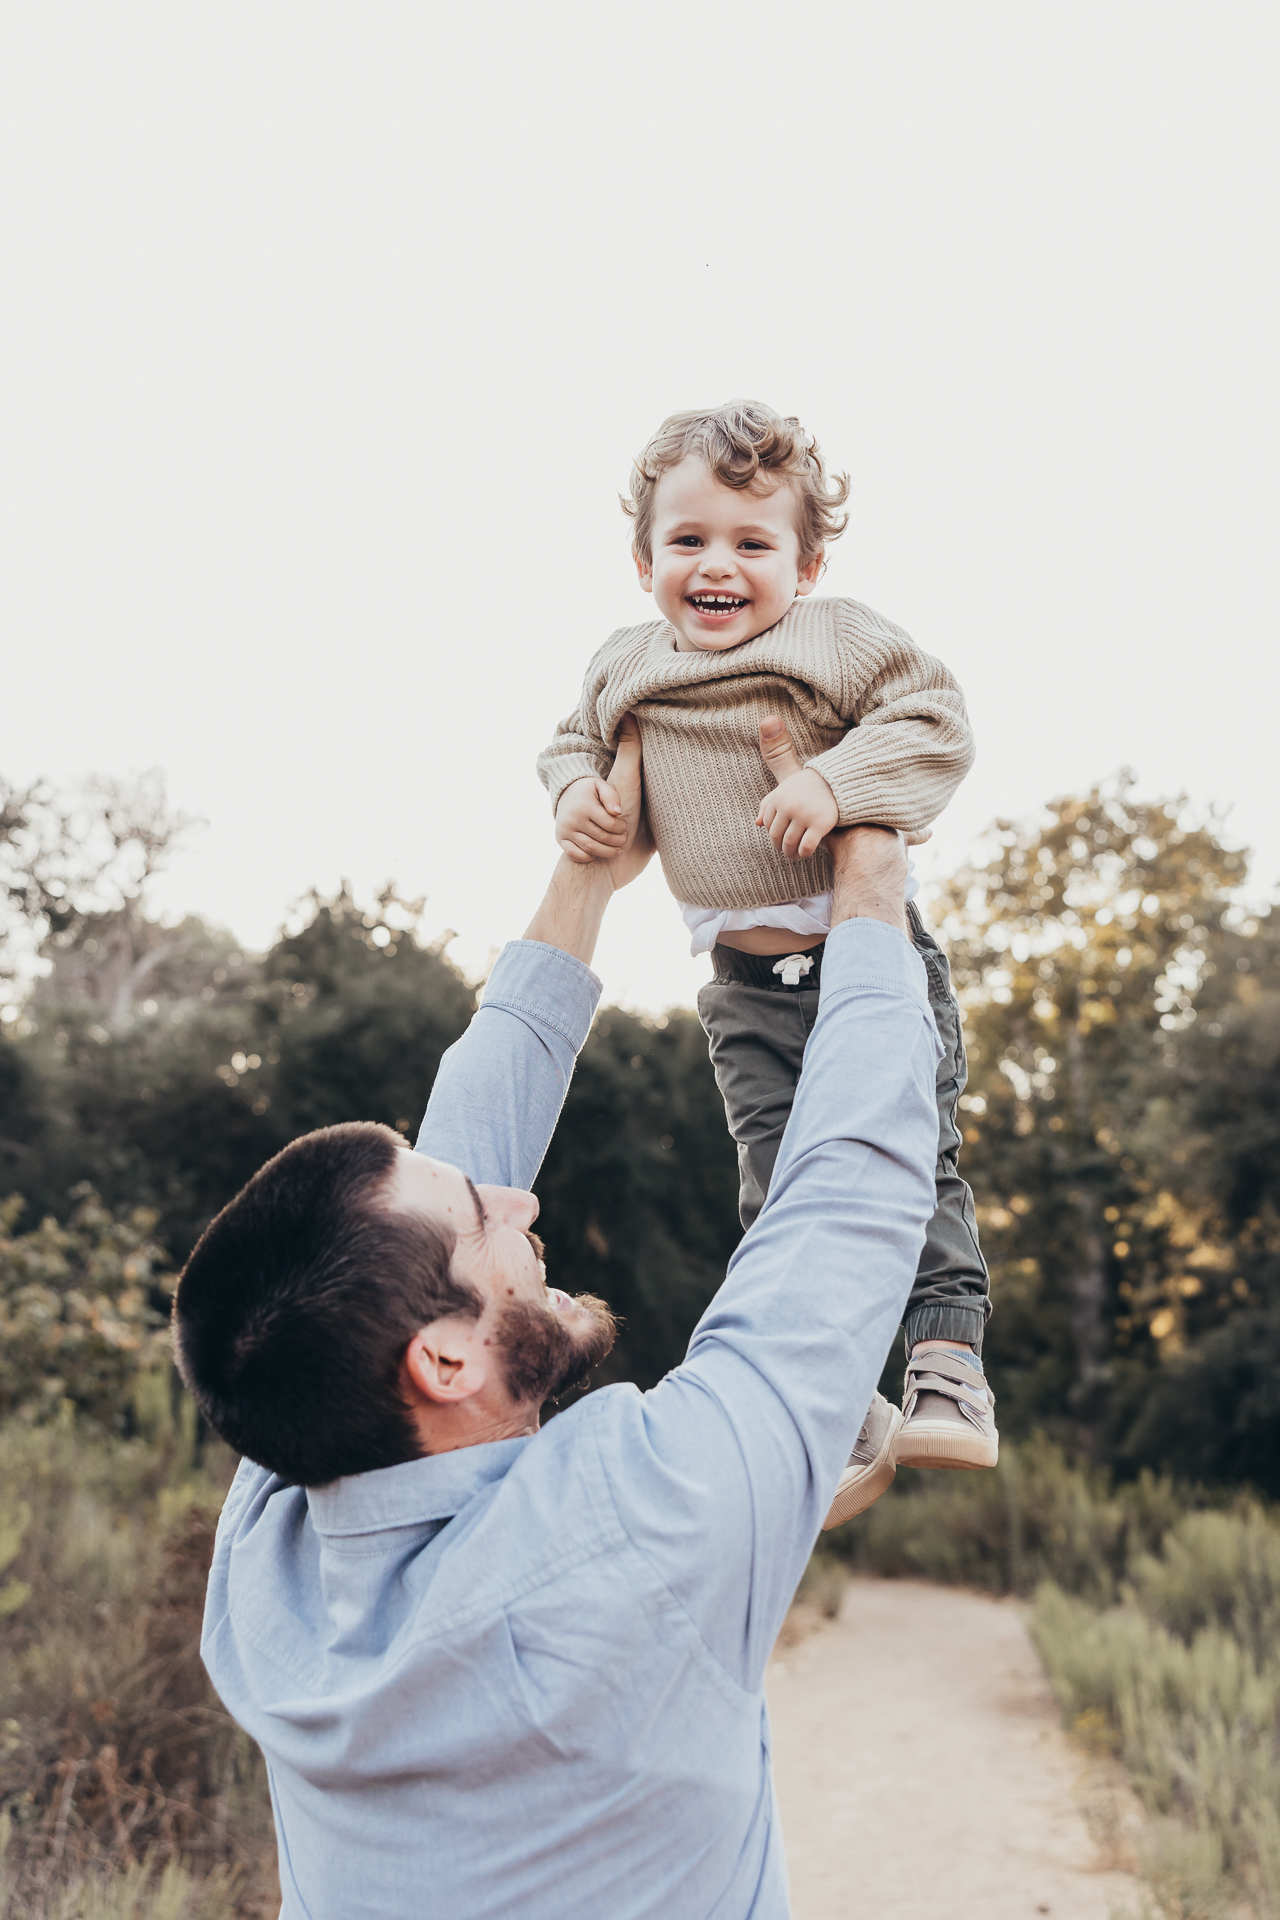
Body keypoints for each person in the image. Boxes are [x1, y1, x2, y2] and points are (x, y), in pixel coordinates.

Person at [176, 722, 943, 1919]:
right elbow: (846, 1198)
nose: (520, 1195)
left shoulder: (274, 1540)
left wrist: (590, 868)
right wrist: (868, 871)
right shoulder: (643, 1519)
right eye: (484, 1218)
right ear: (437, 1358)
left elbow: (455, 1161)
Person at [539, 400, 997, 1524]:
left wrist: (836, 785)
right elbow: (564, 744)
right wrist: (576, 799)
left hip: (868, 961)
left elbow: (936, 719)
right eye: (688, 540)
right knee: (773, 1186)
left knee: (910, 1159)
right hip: (743, 987)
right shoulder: (623, 665)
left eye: (753, 544)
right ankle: (828, 1390)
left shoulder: (833, 640)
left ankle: (944, 1367)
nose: (718, 567)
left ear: (807, 562)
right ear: (642, 557)